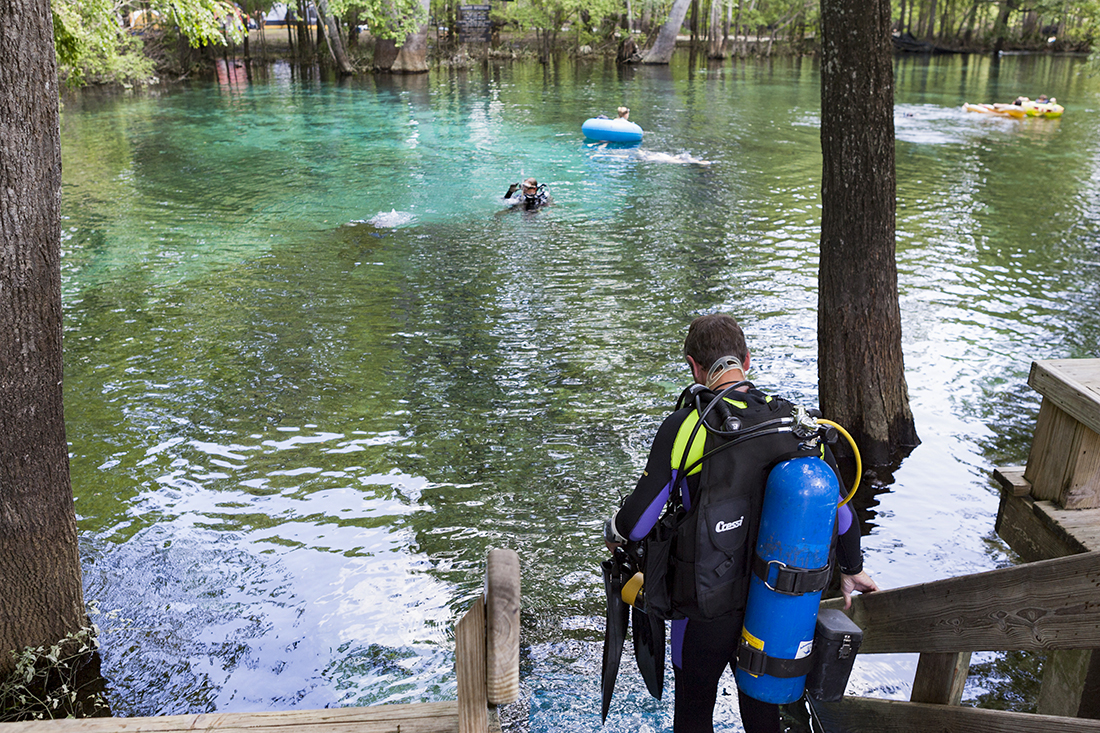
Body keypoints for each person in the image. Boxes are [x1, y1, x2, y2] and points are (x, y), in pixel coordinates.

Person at [604, 313, 879, 733]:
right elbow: (840, 511)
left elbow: (638, 523)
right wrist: (853, 569)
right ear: (746, 360)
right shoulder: (795, 423)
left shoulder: (686, 426)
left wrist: (615, 532)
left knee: (694, 711)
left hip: (705, 604)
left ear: (694, 367)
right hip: (775, 602)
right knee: (763, 714)